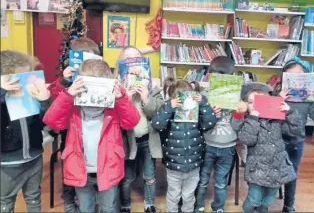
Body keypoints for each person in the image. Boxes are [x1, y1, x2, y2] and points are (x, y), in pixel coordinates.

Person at [43, 59, 141, 213]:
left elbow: (131, 121)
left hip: (109, 168)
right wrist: (67, 95)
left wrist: (121, 98)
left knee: (108, 208)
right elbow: (52, 120)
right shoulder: (73, 107)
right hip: (80, 170)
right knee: (85, 208)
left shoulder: (114, 108)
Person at [47, 37, 101, 213]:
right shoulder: (67, 79)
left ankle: (91, 200)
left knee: (91, 167)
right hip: (70, 132)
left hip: (91, 131)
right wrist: (64, 81)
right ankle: (69, 200)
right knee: (71, 166)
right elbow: (53, 102)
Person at [231, 82, 303, 213]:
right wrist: (253, 118)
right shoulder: (248, 121)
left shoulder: (277, 120)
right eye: (252, 102)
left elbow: (295, 131)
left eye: (260, 102)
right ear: (246, 105)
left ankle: (262, 209)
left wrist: (289, 112)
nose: (255, 105)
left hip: (277, 168)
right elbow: (248, 139)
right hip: (257, 169)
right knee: (254, 200)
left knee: (269, 200)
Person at [151, 79, 218, 213]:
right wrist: (169, 106)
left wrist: (204, 103)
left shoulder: (197, 111)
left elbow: (210, 123)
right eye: (179, 99)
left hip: (194, 165)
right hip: (174, 165)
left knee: (189, 196)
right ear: (172, 98)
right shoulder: (168, 110)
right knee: (173, 195)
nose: (184, 101)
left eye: (188, 97)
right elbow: (157, 124)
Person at [1, 50, 52, 213]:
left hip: (34, 156)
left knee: (34, 197)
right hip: (7, 162)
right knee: (6, 201)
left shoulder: (30, 94)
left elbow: (47, 121)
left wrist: (45, 101)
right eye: (18, 78)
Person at [272, 57, 314, 212]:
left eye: (299, 76)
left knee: (292, 173)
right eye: (290, 76)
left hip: (296, 140)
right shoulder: (279, 91)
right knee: (273, 168)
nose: (295, 80)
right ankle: (268, 197)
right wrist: (278, 99)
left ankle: (288, 206)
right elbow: (269, 115)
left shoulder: (309, 97)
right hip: (277, 137)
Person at [116, 46, 164, 213]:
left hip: (147, 139)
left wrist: (146, 98)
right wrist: (125, 99)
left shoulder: (154, 87)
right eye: (127, 59)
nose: (132, 63)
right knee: (127, 176)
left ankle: (149, 204)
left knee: (149, 175)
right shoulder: (116, 88)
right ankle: (125, 205)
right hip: (127, 140)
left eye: (136, 58)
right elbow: (113, 115)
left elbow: (158, 112)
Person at [195, 56, 240, 213]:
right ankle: (198, 205)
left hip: (228, 146)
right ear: (209, 75)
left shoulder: (238, 95)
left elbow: (237, 126)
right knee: (203, 179)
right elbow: (200, 123)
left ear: (233, 76)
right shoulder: (204, 94)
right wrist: (210, 113)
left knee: (221, 181)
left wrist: (239, 113)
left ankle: (218, 207)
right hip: (208, 144)